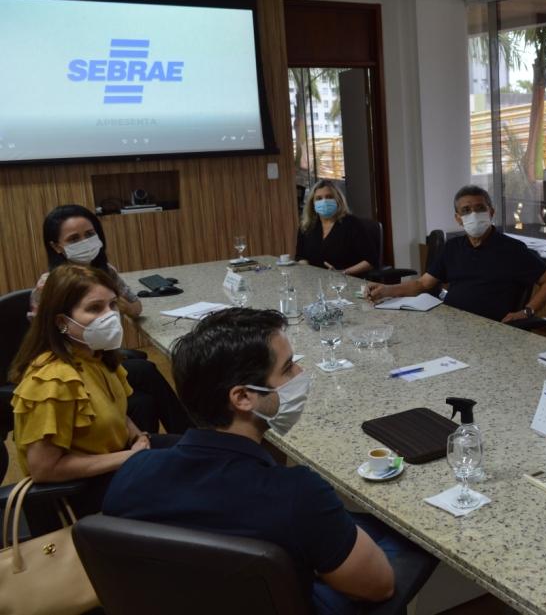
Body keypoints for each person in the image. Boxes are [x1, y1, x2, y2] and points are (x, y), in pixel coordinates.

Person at [103, 308, 437, 615]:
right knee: (409, 536)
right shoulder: (296, 493)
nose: (300, 373)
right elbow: (380, 587)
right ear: (243, 397)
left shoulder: (133, 473)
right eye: (288, 367)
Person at [30, 204, 192, 434]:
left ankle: (166, 449)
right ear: (57, 247)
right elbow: (43, 342)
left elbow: (135, 307)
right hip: (72, 366)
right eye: (74, 239)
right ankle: (184, 440)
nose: (85, 242)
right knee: (145, 374)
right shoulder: (51, 285)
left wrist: (113, 300)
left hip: (103, 357)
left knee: (144, 399)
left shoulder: (105, 271)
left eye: (89, 234)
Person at [10, 264, 151, 513]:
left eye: (112, 305)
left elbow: (114, 411)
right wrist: (127, 457)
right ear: (63, 323)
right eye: (94, 308)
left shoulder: (96, 356)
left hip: (119, 464)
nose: (110, 316)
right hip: (89, 491)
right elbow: (43, 469)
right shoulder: (52, 381)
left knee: (198, 455)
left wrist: (138, 436)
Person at [367, 185, 546, 323]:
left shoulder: (513, 249)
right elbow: (422, 284)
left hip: (491, 328)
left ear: (491, 212)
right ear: (458, 219)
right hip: (451, 322)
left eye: (480, 208)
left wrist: (527, 312)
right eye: (466, 211)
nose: (474, 215)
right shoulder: (452, 247)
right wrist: (385, 290)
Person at [295, 179, 377, 274]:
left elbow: (371, 261)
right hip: (315, 281)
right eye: (319, 198)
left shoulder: (352, 224)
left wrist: (344, 272)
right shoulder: (306, 225)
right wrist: (306, 268)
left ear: (337, 200)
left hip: (345, 281)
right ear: (312, 203)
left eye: (329, 197)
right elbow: (300, 256)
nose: (324, 201)